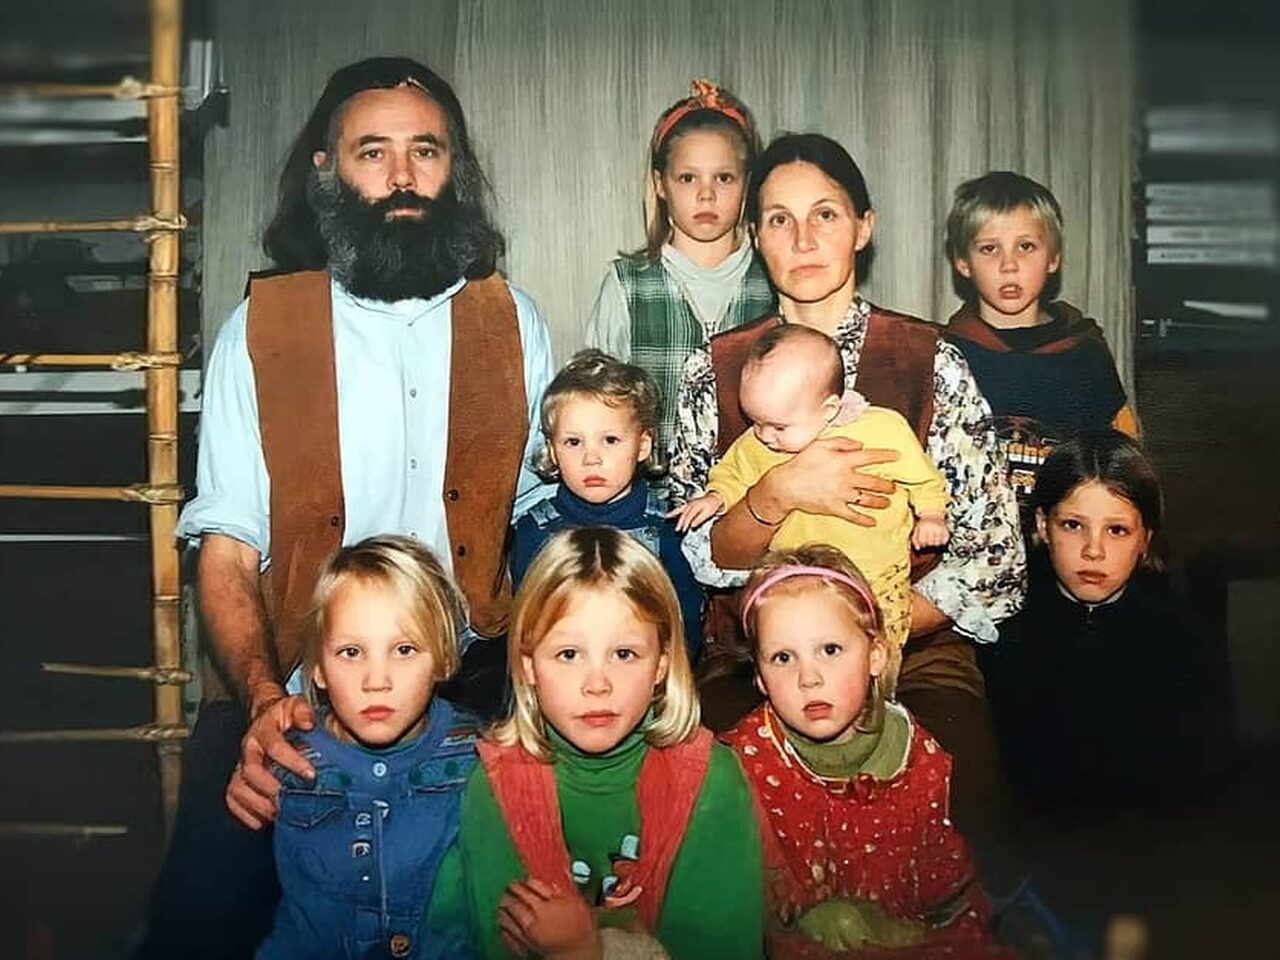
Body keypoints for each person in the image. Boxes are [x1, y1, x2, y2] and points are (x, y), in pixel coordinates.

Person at [138, 57, 553, 959]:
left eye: (425, 151)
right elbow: (226, 544)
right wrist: (260, 702)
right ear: (327, 170)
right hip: (292, 682)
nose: (402, 176)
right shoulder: (261, 331)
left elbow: (541, 524)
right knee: (196, 927)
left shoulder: (512, 321)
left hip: (469, 684)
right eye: (374, 152)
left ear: (453, 169)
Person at [667, 133, 1024, 876]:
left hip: (910, 642)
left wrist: (867, 637)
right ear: (754, 234)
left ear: (864, 226)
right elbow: (699, 554)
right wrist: (777, 493)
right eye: (779, 219)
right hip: (759, 654)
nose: (802, 239)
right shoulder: (716, 368)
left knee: (957, 770)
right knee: (710, 784)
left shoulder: (931, 360)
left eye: (825, 214)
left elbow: (992, 555)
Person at [446, 526, 763, 959]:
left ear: (661, 665)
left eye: (624, 654)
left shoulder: (712, 781)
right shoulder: (494, 787)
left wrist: (582, 951)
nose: (597, 684)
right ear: (529, 665)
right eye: (569, 654)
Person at [721, 545, 1011, 959]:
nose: (808, 678)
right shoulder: (740, 762)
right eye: (783, 657)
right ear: (761, 679)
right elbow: (727, 897)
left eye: (830, 650)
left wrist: (896, 932)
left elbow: (943, 890)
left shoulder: (919, 755)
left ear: (876, 656)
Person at [673, 324, 948, 693]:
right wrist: (716, 497)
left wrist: (931, 514)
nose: (764, 435)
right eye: (756, 422)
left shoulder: (882, 429)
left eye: (777, 426)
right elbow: (733, 471)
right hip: (794, 585)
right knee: (798, 678)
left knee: (876, 672)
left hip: (877, 583)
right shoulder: (761, 441)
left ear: (829, 408)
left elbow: (922, 476)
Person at [257, 535, 478, 958]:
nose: (377, 680)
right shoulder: (287, 757)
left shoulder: (478, 753)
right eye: (351, 652)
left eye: (404, 649)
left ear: (445, 659)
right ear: (318, 669)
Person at [978, 432, 1214, 807]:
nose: (1093, 551)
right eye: (1073, 525)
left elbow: (1195, 789)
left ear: (1145, 539)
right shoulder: (997, 634)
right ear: (1042, 525)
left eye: (1117, 530)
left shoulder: (1182, 643)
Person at [586, 79, 774, 457]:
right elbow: (595, 407)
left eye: (724, 178)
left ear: (747, 185)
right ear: (660, 184)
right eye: (688, 178)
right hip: (654, 489)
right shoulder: (627, 286)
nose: (706, 194)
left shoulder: (774, 283)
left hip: (755, 487)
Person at [943, 171, 1138, 513]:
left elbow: (1120, 460)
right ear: (963, 263)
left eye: (1026, 247)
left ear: (1053, 258)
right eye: (989, 249)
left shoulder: (1086, 354)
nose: (1009, 265)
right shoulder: (945, 355)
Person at [511, 349, 704, 659]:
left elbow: (686, 627)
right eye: (573, 442)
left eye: (610, 440)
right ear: (553, 451)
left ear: (643, 445)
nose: (591, 458)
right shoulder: (534, 532)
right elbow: (525, 635)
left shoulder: (668, 528)